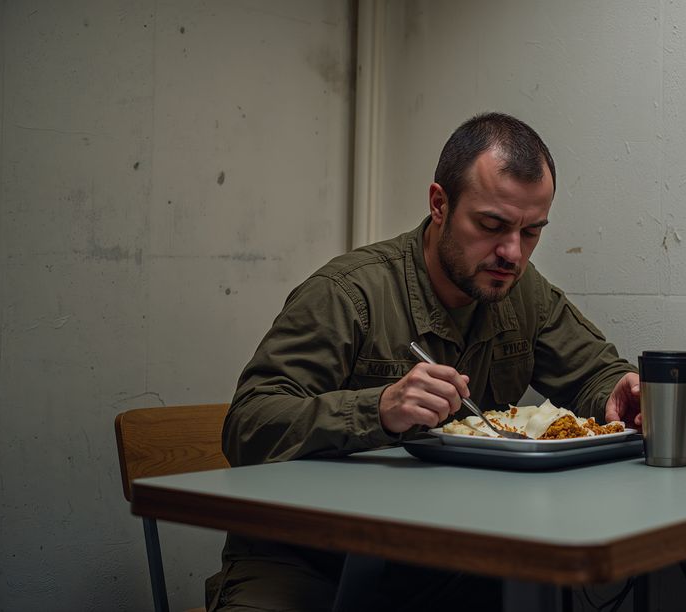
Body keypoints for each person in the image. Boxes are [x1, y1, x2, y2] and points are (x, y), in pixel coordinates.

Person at [206, 112, 642, 611]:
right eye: (492, 225)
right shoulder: (348, 293)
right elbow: (248, 424)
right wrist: (378, 409)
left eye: (531, 232)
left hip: (439, 560)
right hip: (305, 558)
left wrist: (618, 389)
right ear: (439, 204)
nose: (512, 253)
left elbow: (593, 372)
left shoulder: (524, 294)